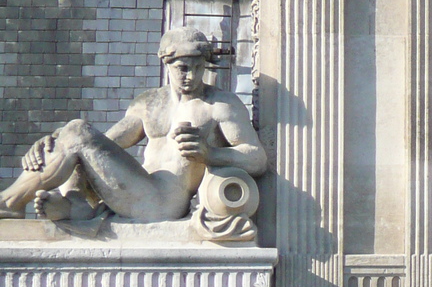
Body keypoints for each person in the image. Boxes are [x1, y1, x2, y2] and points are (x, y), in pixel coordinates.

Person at [0, 27, 267, 222]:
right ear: (167, 63)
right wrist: (53, 142)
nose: (191, 76)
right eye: (183, 68)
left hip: (163, 202)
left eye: (198, 68)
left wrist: (211, 154)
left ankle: (10, 202)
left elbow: (257, 158)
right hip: (136, 187)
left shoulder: (220, 104)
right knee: (74, 133)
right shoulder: (150, 103)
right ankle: (75, 203)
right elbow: (103, 143)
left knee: (76, 132)